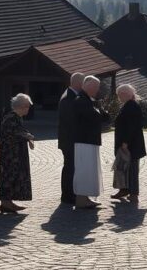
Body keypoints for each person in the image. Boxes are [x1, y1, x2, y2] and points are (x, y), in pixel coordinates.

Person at [73, 75, 109, 209]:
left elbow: (105, 117)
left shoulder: (88, 100)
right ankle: (81, 199)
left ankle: (86, 197)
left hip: (89, 140)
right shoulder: (81, 100)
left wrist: (99, 109)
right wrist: (99, 109)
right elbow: (95, 117)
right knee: (84, 170)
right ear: (87, 86)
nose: (97, 90)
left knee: (90, 170)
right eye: (95, 87)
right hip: (84, 141)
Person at [0, 93, 35, 214]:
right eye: (28, 106)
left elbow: (20, 130)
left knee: (15, 176)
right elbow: (13, 133)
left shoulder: (17, 117)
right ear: (22, 106)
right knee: (9, 176)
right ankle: (5, 203)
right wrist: (27, 136)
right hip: (10, 155)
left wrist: (27, 136)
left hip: (16, 154)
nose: (28, 109)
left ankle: (10, 202)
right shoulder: (10, 117)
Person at [112, 84, 147, 203]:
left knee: (132, 169)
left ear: (125, 94)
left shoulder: (131, 106)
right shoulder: (128, 105)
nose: (118, 98)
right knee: (123, 168)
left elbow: (132, 126)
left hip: (131, 145)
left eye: (119, 95)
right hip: (128, 143)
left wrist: (125, 142)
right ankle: (124, 189)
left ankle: (133, 193)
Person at [58, 72, 85, 205]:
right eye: (83, 83)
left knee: (70, 167)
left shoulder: (71, 95)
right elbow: (70, 121)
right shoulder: (69, 97)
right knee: (69, 168)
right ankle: (68, 196)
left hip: (69, 140)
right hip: (69, 140)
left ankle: (69, 194)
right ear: (78, 83)